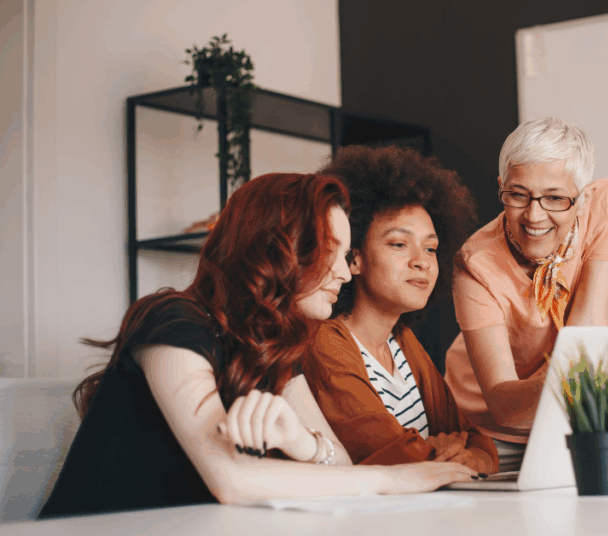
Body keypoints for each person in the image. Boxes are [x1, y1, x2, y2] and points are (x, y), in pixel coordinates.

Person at [39, 173, 475, 518]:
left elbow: (338, 464)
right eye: (335, 252)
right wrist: (394, 480)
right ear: (282, 247)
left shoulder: (276, 346)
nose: (345, 274)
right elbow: (230, 479)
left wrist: (302, 442)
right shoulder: (173, 320)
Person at [444, 117, 608, 471]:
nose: (534, 215)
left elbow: (588, 326)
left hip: (569, 414)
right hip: (489, 428)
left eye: (555, 198)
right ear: (501, 187)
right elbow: (502, 402)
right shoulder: (474, 264)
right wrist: (582, 376)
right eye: (517, 195)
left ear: (584, 198)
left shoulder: (605, 203)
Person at [305, 146, 497, 474]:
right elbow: (391, 454)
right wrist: (441, 450)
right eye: (399, 244)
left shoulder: (402, 341)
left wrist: (471, 455)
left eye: (431, 248)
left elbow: (477, 441)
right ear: (354, 258)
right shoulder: (324, 342)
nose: (421, 261)